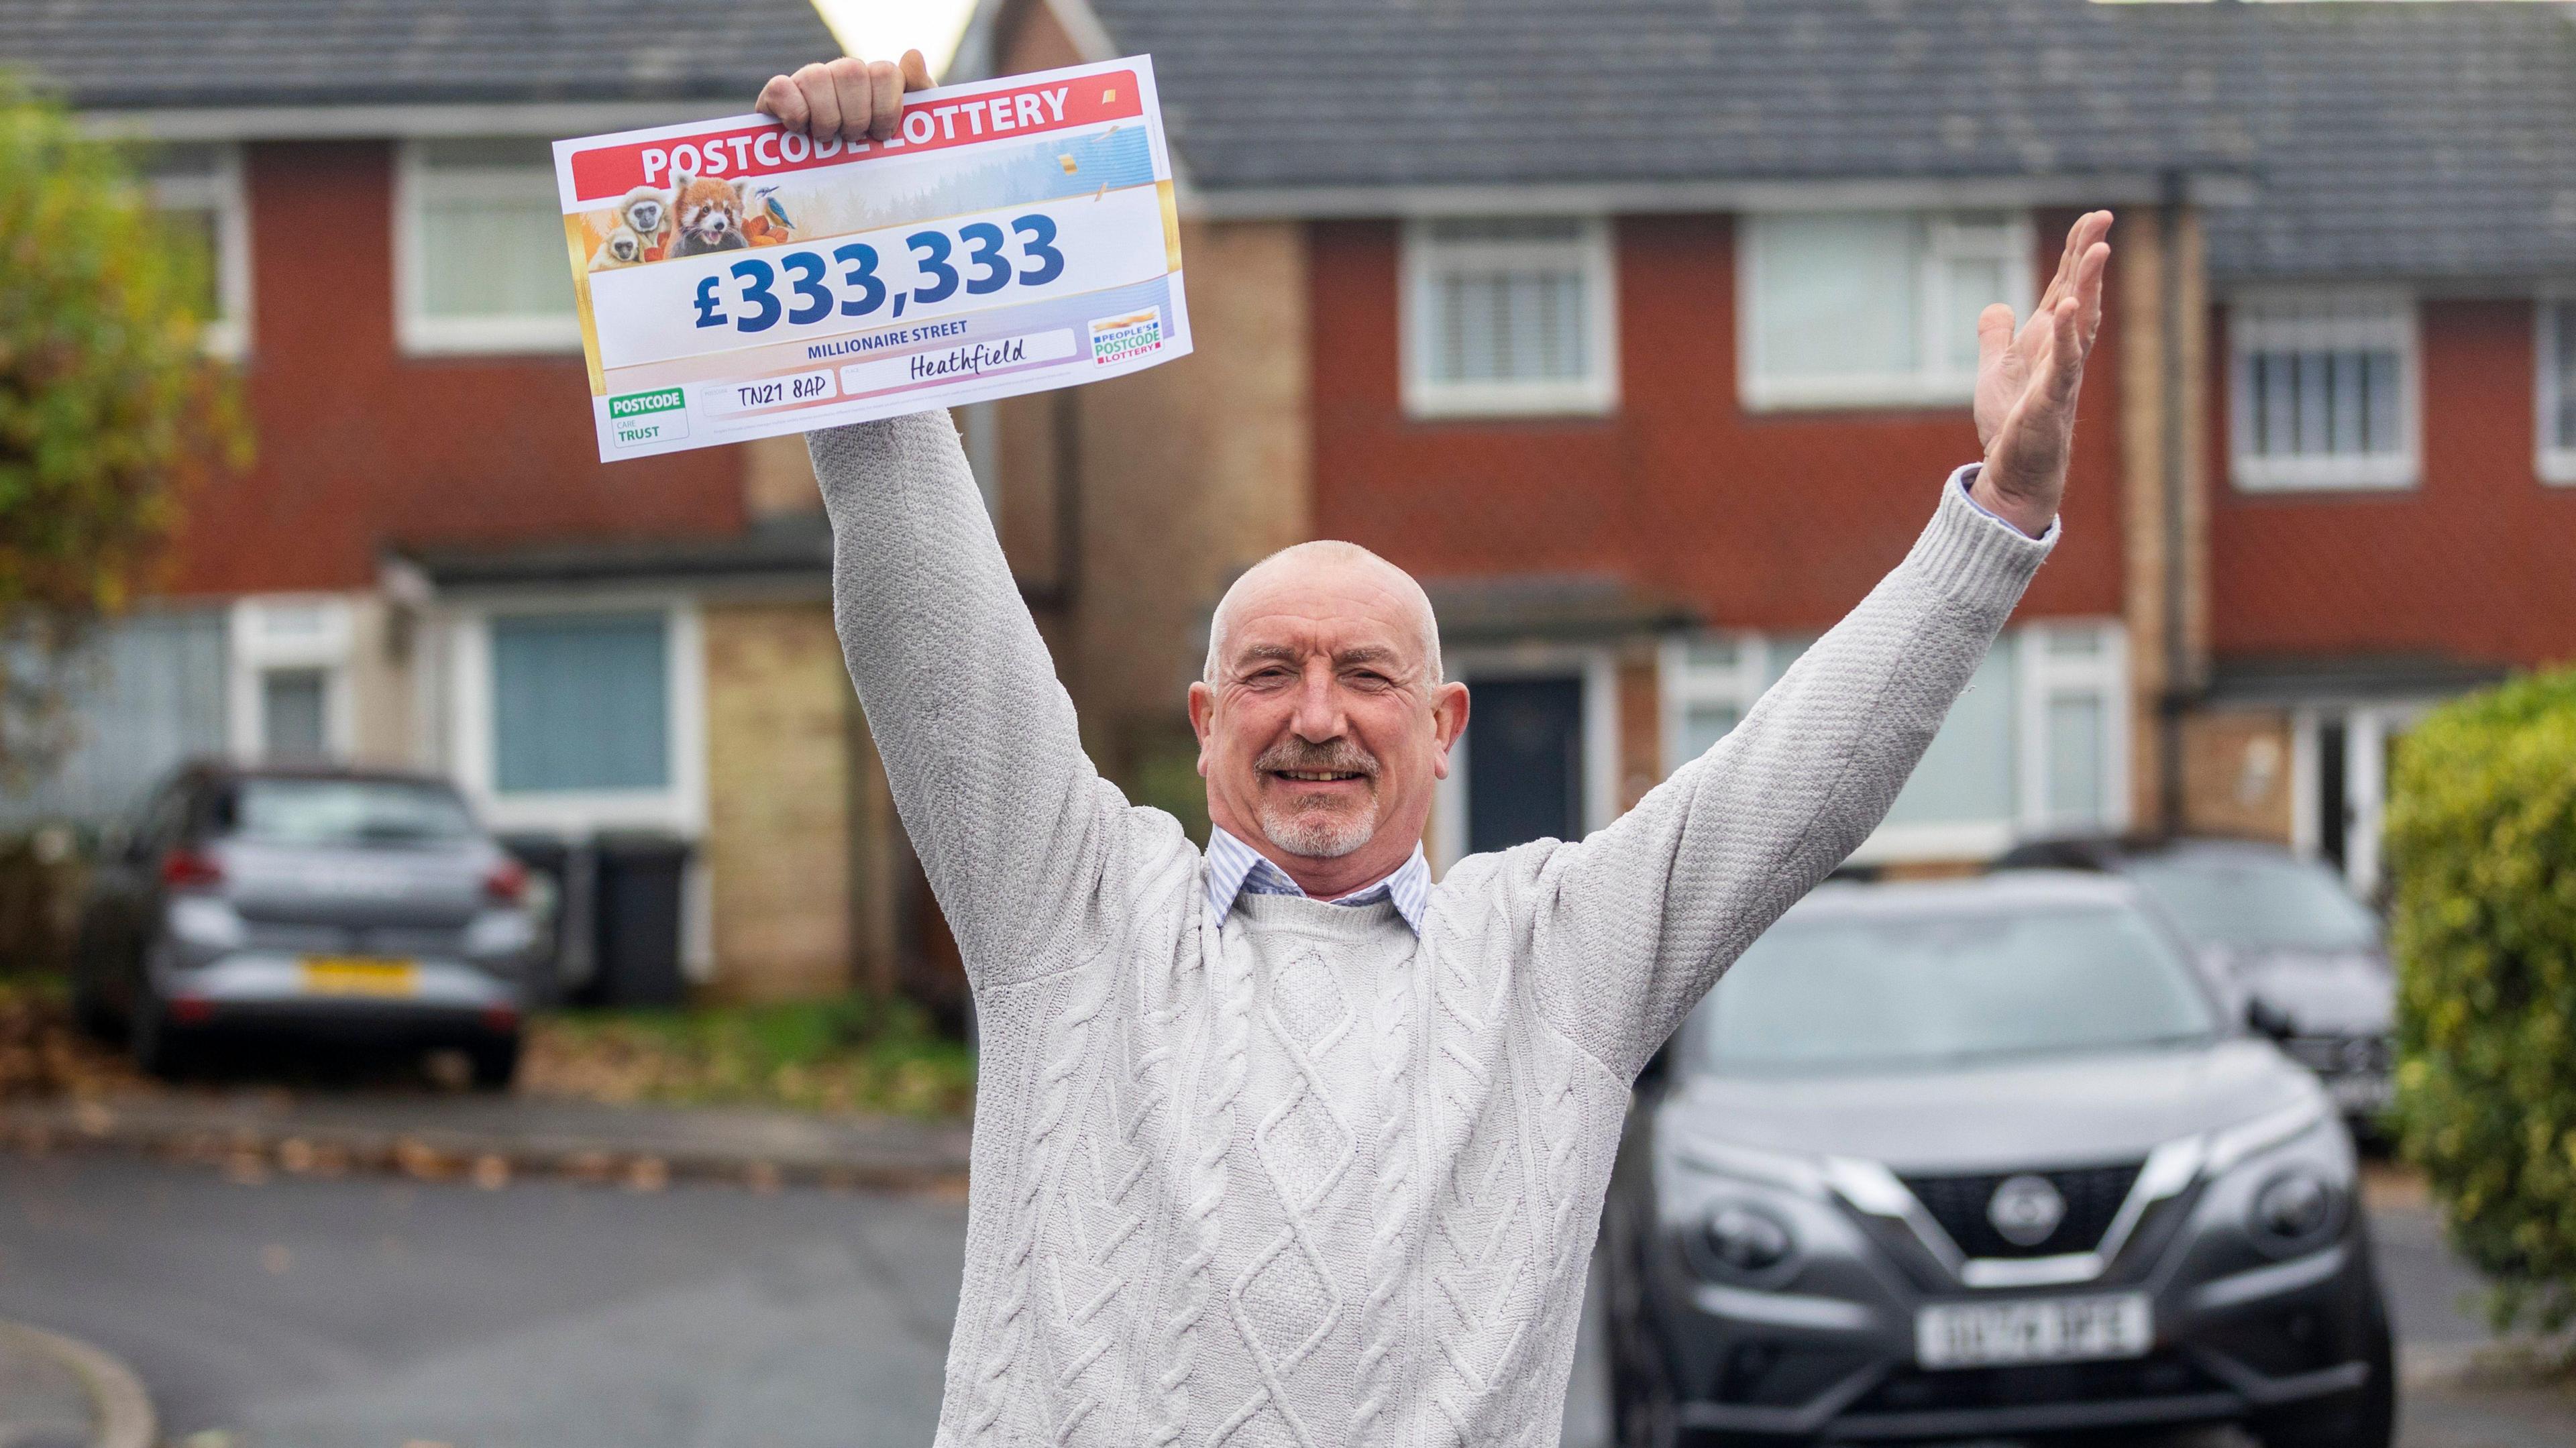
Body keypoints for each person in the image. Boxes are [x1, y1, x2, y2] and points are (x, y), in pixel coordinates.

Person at [759, 54, 2110, 1448]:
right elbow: (931, 616)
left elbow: (1799, 785)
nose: (1321, 716)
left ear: (1447, 723)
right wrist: (847, 217)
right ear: (1208, 721)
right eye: (1271, 674)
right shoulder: (1075, 910)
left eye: (1367, 676)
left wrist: (1994, 518)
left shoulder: (1553, 963)